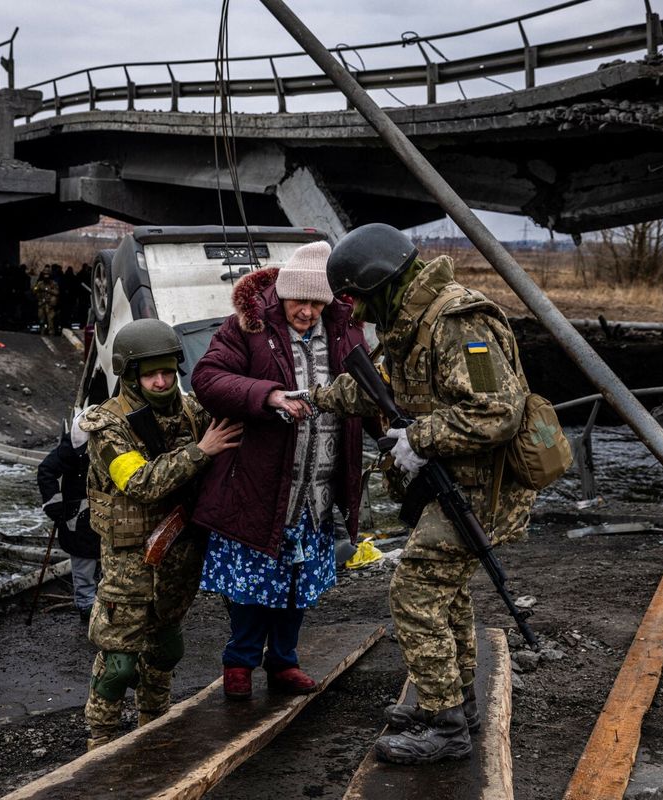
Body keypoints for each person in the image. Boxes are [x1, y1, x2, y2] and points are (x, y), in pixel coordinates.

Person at [310, 223, 535, 765]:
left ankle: (446, 726)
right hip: (456, 482)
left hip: (484, 489)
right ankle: (455, 705)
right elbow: (377, 385)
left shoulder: (459, 323)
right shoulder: (412, 323)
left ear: (381, 283)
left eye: (359, 300)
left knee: (413, 593)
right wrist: (310, 397)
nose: (358, 315)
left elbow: (498, 411)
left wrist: (418, 436)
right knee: (445, 594)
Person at [191, 241, 368, 700]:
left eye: (316, 302)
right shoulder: (247, 327)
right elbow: (208, 378)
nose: (307, 311)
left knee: (298, 582)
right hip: (259, 483)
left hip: (317, 488)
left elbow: (366, 388)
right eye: (298, 301)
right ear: (282, 294)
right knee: (252, 583)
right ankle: (240, 662)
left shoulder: (346, 331)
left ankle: (284, 660)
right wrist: (268, 395)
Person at [78, 318, 243, 749]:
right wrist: (200, 451)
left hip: (179, 555)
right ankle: (101, 739)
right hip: (130, 561)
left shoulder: (191, 411)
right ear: (130, 374)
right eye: (150, 372)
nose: (161, 380)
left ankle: (155, 726)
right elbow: (139, 483)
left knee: (166, 650)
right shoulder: (108, 427)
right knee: (117, 662)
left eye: (168, 371)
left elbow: (234, 414)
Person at [37, 410, 100, 622]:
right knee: (84, 567)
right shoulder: (75, 442)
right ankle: (87, 610)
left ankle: (103, 611)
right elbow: (47, 470)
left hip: (109, 516)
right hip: (79, 518)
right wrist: (54, 504)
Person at [34, 266, 60, 335]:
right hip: (42, 303)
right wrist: (37, 290)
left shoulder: (53, 283)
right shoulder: (40, 283)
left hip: (49, 305)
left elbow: (57, 292)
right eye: (45, 274)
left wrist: (49, 290)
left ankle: (51, 334)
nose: (46, 276)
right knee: (41, 320)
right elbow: (35, 291)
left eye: (47, 274)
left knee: (50, 320)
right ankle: (42, 332)